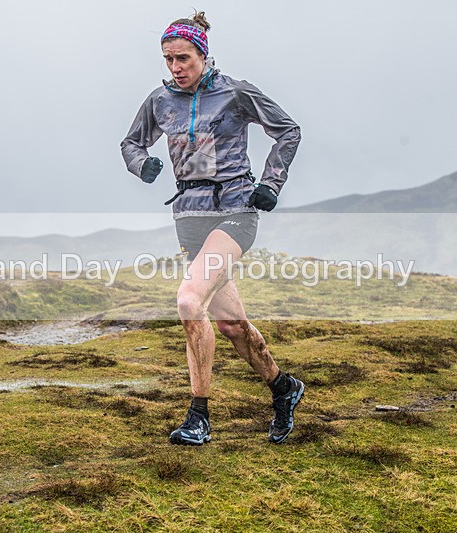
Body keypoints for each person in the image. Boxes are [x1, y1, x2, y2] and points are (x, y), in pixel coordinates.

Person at [121, 12, 304, 445]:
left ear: (202, 53)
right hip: (189, 216)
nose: (175, 67)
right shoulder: (159, 101)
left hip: (235, 210)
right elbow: (131, 143)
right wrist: (141, 164)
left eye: (183, 58)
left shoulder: (235, 93)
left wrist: (270, 184)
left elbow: (288, 131)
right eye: (168, 60)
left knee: (188, 300)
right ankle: (284, 387)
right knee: (231, 325)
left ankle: (198, 417)